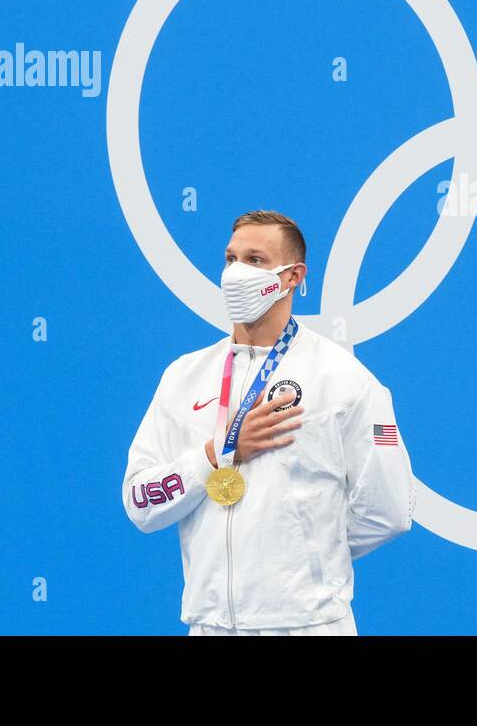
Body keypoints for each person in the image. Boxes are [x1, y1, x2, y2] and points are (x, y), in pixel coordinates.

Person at [122, 209, 416, 635]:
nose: (236, 272)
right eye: (230, 259)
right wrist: (216, 453)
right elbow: (140, 503)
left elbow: (388, 512)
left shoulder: (345, 381)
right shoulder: (183, 377)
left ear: (292, 276)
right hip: (210, 627)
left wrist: (301, 564)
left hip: (308, 626)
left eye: (255, 260)